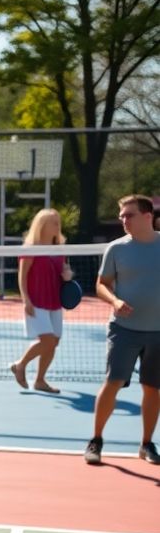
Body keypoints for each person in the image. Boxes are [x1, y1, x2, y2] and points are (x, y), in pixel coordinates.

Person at [84, 195, 160, 466]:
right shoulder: (116, 249)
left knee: (153, 389)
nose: (123, 220)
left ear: (148, 216)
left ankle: (146, 444)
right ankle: (96, 440)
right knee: (113, 383)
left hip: (158, 333)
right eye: (121, 216)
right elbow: (101, 284)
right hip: (123, 330)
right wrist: (114, 300)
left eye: (129, 215)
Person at [9, 209, 74, 394]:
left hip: (55, 301)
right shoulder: (30, 248)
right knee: (47, 340)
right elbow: (22, 276)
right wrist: (25, 300)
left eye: (58, 222)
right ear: (42, 225)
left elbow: (65, 271)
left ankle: (40, 380)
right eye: (53, 222)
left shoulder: (60, 248)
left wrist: (68, 276)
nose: (57, 225)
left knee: (54, 341)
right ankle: (20, 365)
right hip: (36, 300)